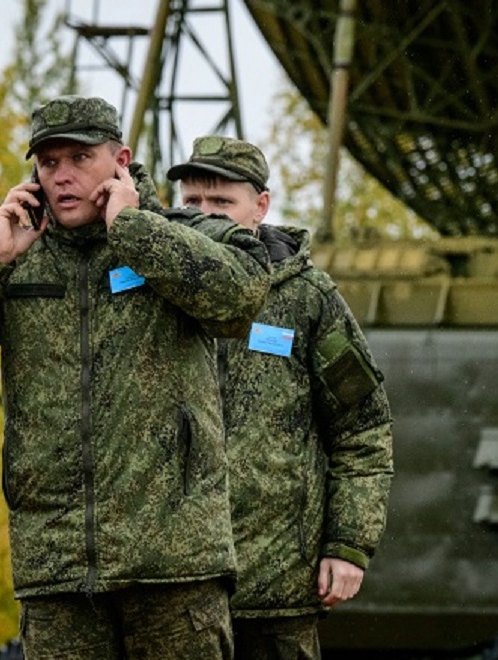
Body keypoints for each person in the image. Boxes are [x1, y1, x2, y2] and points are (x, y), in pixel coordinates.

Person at [0, 97, 272, 659]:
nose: (61, 176)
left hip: (173, 567)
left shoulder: (176, 236)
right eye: (48, 162)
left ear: (119, 160)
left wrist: (134, 231)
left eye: (79, 158)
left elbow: (240, 299)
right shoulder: (19, 257)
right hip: (58, 572)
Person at [167, 136, 394, 659]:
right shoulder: (150, 286)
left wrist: (349, 546)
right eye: (193, 202)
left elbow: (363, 428)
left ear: (260, 206)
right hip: (169, 590)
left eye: (221, 202)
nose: (205, 216)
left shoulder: (307, 299)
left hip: (276, 589)